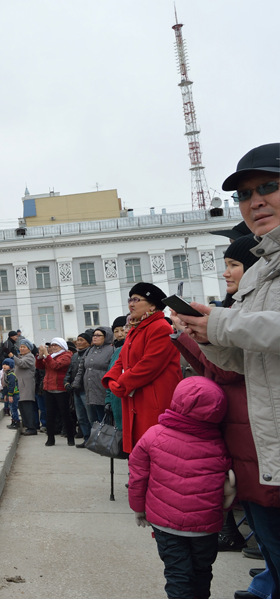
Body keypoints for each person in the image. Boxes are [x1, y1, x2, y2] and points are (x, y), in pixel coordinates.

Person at [175, 143, 280, 599]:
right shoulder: (261, 270)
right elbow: (245, 360)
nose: (255, 201)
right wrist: (207, 336)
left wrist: (219, 323)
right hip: (266, 446)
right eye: (245, 194)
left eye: (269, 187)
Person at [128, 377, 232, 599]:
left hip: (167, 524)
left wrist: (138, 508)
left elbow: (138, 476)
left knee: (177, 574)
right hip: (206, 526)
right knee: (202, 571)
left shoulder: (154, 435)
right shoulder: (220, 442)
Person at [102, 283, 182, 454]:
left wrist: (122, 383)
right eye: (130, 299)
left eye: (136, 299)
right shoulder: (135, 328)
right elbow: (121, 359)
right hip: (134, 396)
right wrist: (111, 379)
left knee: (155, 447)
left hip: (153, 398)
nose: (131, 304)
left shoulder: (160, 327)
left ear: (152, 305)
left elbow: (149, 365)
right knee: (139, 450)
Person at [36, 338, 73, 446]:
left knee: (65, 414)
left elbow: (55, 366)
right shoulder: (50, 356)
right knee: (50, 414)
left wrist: (46, 354)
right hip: (49, 389)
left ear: (62, 346)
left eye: (56, 345)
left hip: (61, 389)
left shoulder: (66, 356)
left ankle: (70, 437)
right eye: (52, 345)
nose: (53, 347)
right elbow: (40, 366)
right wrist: (39, 356)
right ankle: (50, 438)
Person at [74, 327, 114, 427]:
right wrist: (76, 382)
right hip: (90, 390)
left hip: (102, 389)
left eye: (98, 335)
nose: (95, 337)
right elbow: (81, 368)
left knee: (104, 419)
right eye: (94, 335)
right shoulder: (90, 350)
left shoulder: (111, 350)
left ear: (106, 337)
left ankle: (105, 441)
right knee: (93, 419)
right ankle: (95, 440)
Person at [65, 332, 92, 447]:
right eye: (78, 340)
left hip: (87, 390)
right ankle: (86, 439)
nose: (79, 342)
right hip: (76, 390)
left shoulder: (90, 354)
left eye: (82, 340)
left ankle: (93, 440)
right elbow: (69, 371)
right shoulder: (75, 356)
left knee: (91, 417)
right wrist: (66, 382)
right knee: (81, 417)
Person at [104, 316, 127, 432]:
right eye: (116, 331)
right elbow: (110, 375)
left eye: (123, 330)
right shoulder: (116, 351)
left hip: (127, 399)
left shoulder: (131, 348)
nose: (119, 334)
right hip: (116, 400)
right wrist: (108, 400)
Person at [14, 340, 37, 435]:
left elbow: (21, 364)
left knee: (28, 408)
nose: (22, 348)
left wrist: (12, 357)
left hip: (27, 386)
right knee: (22, 408)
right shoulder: (21, 357)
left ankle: (32, 428)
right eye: (21, 346)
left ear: (29, 348)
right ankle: (28, 426)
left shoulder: (30, 357)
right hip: (20, 386)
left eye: (24, 347)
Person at [2, 358, 20, 429]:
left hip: (14, 394)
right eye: (3, 364)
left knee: (13, 408)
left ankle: (16, 422)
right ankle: (13, 421)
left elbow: (11, 386)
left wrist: (10, 395)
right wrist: (6, 395)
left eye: (6, 365)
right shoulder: (6, 374)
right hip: (10, 394)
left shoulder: (11, 375)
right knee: (12, 408)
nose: (4, 366)